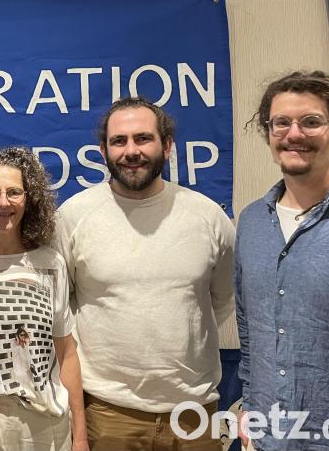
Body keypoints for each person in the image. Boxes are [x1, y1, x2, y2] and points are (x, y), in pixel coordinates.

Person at [54, 97, 235, 451]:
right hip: (108, 414)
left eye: (143, 138)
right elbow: (63, 310)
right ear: (103, 150)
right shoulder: (73, 217)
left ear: (166, 146)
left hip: (195, 412)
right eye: (118, 141)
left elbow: (222, 300)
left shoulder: (209, 217)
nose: (130, 151)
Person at [235, 70, 329, 451]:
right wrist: (250, 403)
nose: (293, 134)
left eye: (310, 122)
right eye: (281, 123)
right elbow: (250, 325)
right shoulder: (250, 222)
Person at [0, 148, 88, 451]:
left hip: (48, 427)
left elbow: (67, 354)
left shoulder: (51, 262)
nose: (3, 202)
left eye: (14, 192)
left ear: (29, 199)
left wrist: (81, 437)